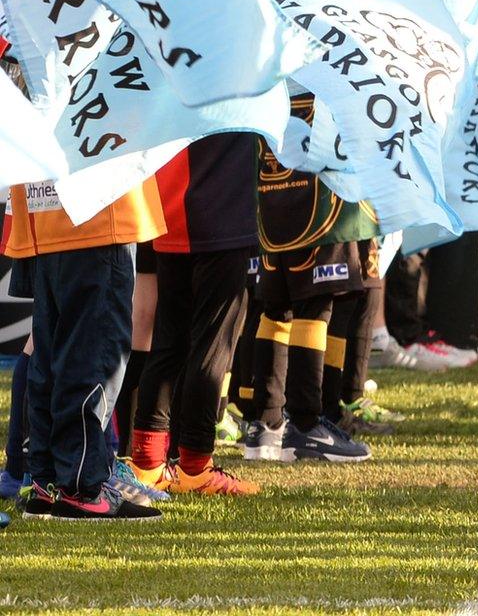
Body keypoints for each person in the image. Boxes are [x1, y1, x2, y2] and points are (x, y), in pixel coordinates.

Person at [5, 171, 167, 521]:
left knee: (52, 357)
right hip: (97, 211)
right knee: (92, 357)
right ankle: (81, 488)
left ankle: (48, 485)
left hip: (48, 213)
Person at [128, 135, 264, 497]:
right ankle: (195, 467)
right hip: (219, 213)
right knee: (212, 346)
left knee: (168, 341)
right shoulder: (236, 75)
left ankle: (148, 463)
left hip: (171, 210)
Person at [246, 96, 376, 465]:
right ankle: (305, 424)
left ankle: (266, 422)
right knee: (313, 306)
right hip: (318, 183)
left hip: (273, 182)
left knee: (277, 308)